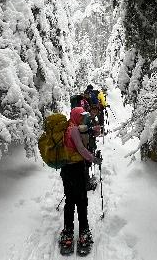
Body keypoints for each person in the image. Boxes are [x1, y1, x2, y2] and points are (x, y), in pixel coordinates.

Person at [59, 107, 102, 254]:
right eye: (82, 116)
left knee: (70, 200)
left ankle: (68, 232)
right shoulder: (74, 130)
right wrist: (94, 159)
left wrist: (91, 130)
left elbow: (82, 131)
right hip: (77, 169)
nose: (84, 118)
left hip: (65, 169)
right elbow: (81, 150)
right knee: (81, 200)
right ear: (77, 116)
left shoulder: (67, 127)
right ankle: (84, 231)